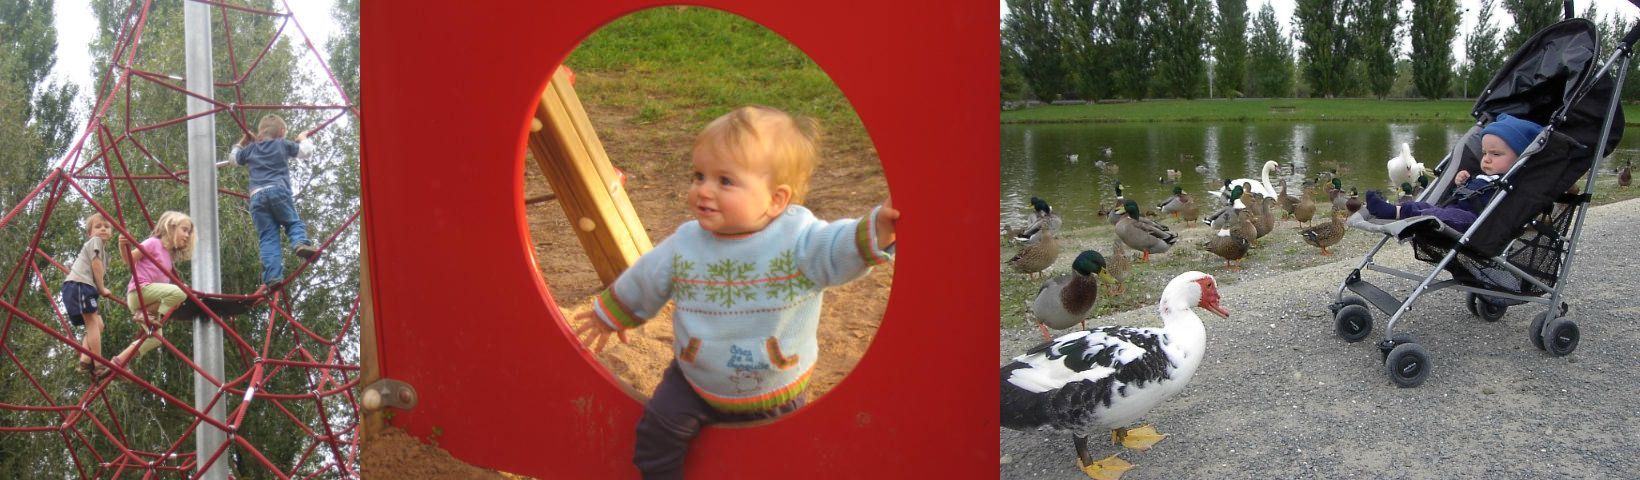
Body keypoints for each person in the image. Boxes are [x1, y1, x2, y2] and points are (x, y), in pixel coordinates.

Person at [571, 106, 898, 479]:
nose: (703, 190)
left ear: (776, 199)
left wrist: (879, 229)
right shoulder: (687, 243)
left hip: (774, 388)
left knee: (777, 458)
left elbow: (837, 245)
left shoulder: (797, 240)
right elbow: (647, 277)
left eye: (725, 181)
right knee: (655, 437)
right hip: (694, 380)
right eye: (699, 175)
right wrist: (612, 313)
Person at [1364, 114, 1544, 231]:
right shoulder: (1484, 176)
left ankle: (1410, 216)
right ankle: (1392, 211)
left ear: (1520, 158)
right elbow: (1465, 194)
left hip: (1475, 222)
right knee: (1427, 207)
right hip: (1454, 208)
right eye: (1484, 153)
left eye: (1495, 154)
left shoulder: (1517, 180)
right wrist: (1462, 183)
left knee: (1439, 216)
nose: (1487, 159)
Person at [227, 114, 319, 289]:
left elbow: (233, 160)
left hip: (257, 197)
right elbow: (306, 152)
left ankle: (273, 277)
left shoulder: (251, 149)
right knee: (292, 222)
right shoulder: (282, 144)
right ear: (282, 132)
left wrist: (241, 142)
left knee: (268, 237)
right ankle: (300, 243)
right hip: (278, 190)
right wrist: (303, 139)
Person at [111, 211, 196, 369]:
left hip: (148, 302)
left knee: (155, 339)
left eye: (189, 232)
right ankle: (143, 314)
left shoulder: (168, 259)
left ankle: (119, 361)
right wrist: (122, 245)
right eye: (184, 230)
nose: (187, 235)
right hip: (139, 292)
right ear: (171, 227)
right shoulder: (153, 243)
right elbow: (128, 260)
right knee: (181, 292)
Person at [61, 213, 117, 379]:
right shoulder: (95, 241)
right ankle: (98, 364)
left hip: (80, 287)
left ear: (112, 232)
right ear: (89, 233)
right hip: (80, 285)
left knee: (98, 324)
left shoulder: (105, 253)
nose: (103, 230)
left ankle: (85, 360)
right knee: (93, 323)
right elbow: (95, 265)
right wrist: (101, 288)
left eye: (106, 227)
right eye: (98, 227)